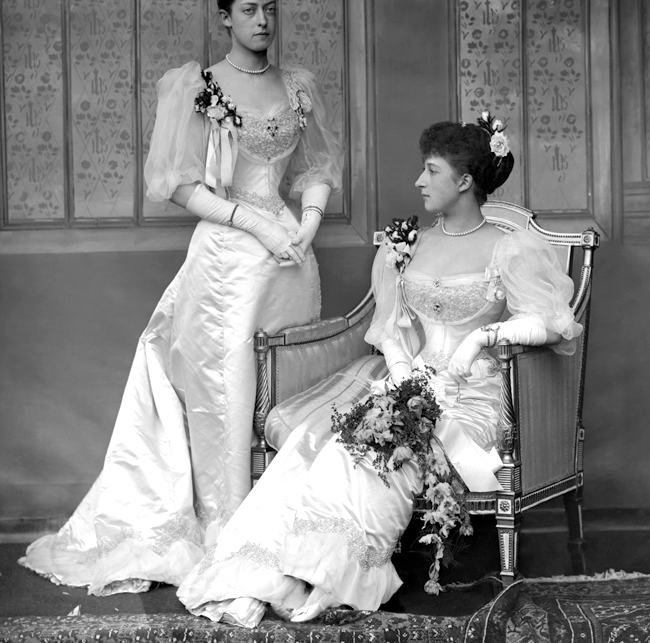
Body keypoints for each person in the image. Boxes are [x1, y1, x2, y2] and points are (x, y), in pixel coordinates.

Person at [19, 0, 341, 596]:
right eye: (249, 9)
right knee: (226, 390)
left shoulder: (298, 85)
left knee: (289, 381)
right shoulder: (200, 85)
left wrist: (304, 225)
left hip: (288, 260)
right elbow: (178, 183)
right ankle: (228, 529)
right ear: (225, 15)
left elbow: (314, 168)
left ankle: (282, 522)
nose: (262, 21)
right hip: (227, 263)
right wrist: (250, 219)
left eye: (270, 9)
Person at [175, 116, 583, 627]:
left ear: (464, 181)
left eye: (431, 170)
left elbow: (552, 323)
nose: (418, 181)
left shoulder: (512, 246)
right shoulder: (407, 241)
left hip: (475, 393)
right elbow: (389, 326)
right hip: (411, 380)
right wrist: (402, 372)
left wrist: (485, 336)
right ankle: (279, 567)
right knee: (331, 445)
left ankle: (336, 575)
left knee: (388, 453)